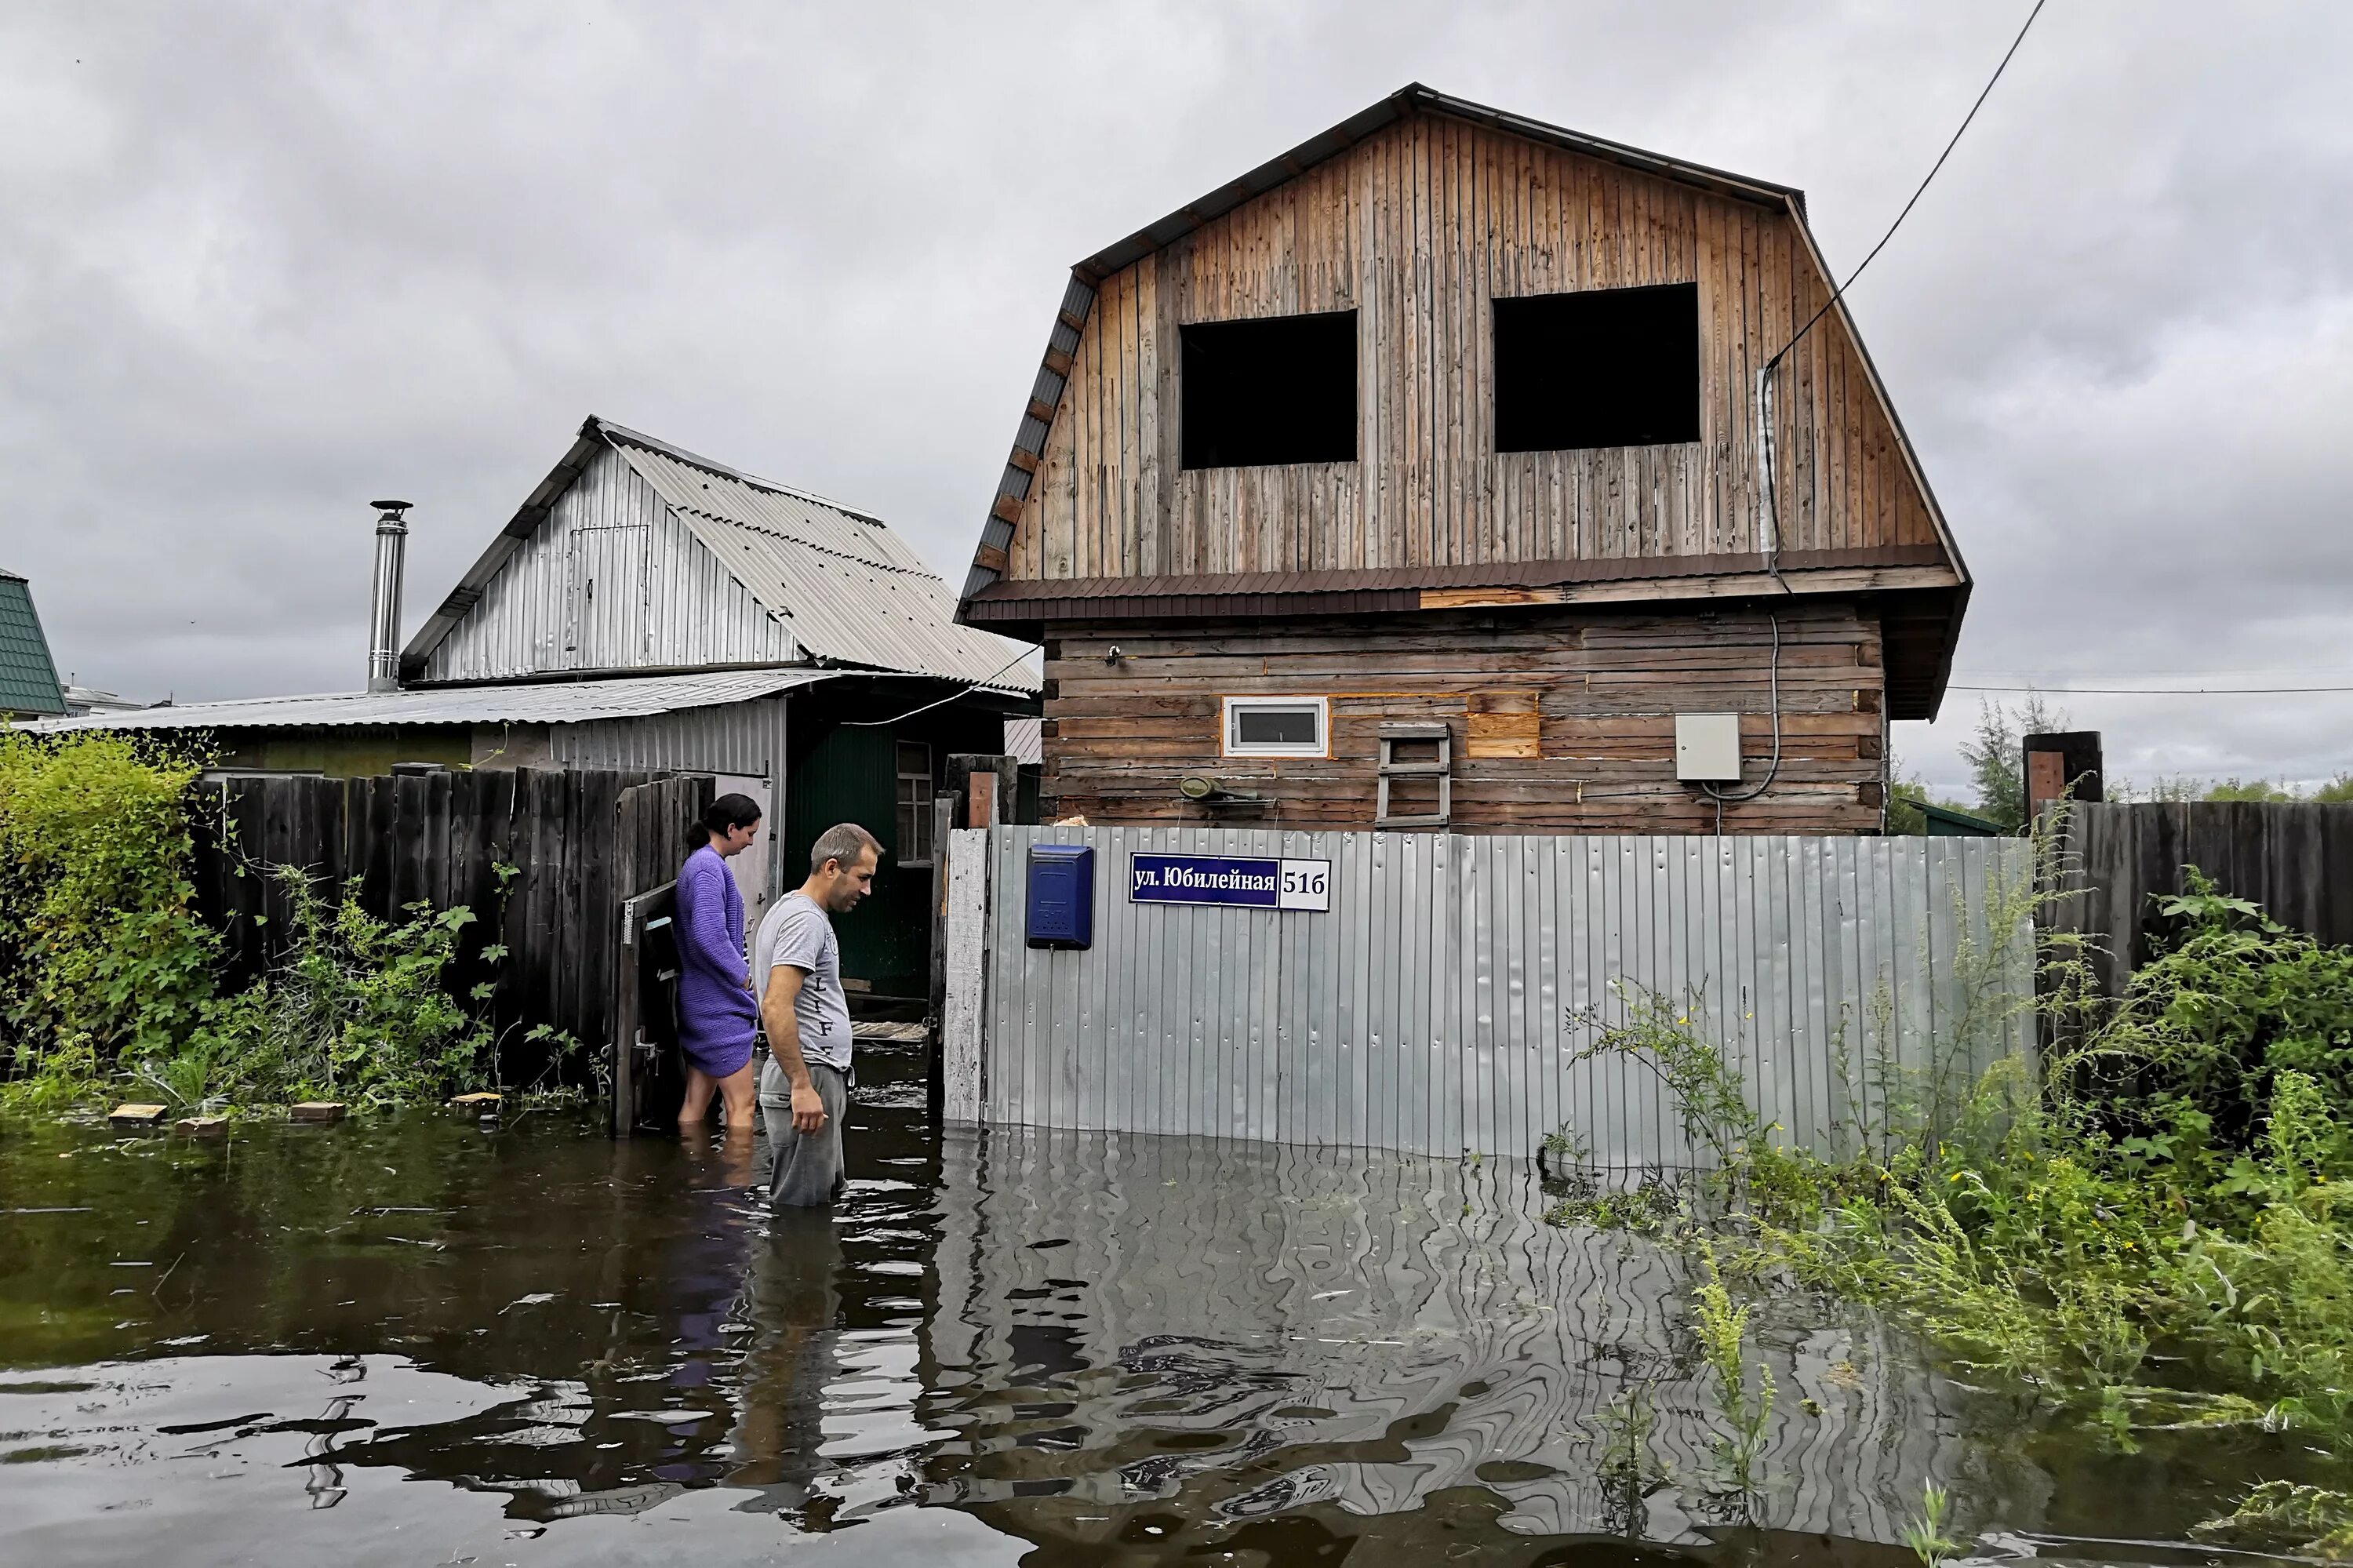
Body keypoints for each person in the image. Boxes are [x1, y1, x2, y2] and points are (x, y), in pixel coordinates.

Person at [752, 821, 878, 1207]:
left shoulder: (792, 910)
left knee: (821, 1198)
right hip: (809, 1074)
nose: (866, 890)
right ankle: (795, 1267)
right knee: (801, 1208)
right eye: (862, 877)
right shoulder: (805, 920)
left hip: (815, 1073)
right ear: (831, 867)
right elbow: (775, 1003)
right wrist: (802, 1085)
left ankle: (809, 1265)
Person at [675, 793, 765, 1131]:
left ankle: (692, 1174)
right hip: (717, 1006)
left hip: (701, 1000)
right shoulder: (707, 869)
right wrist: (743, 977)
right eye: (750, 833)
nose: (752, 841)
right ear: (731, 829)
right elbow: (708, 935)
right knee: (742, 1106)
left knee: (696, 1102)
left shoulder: (702, 864)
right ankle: (738, 1182)